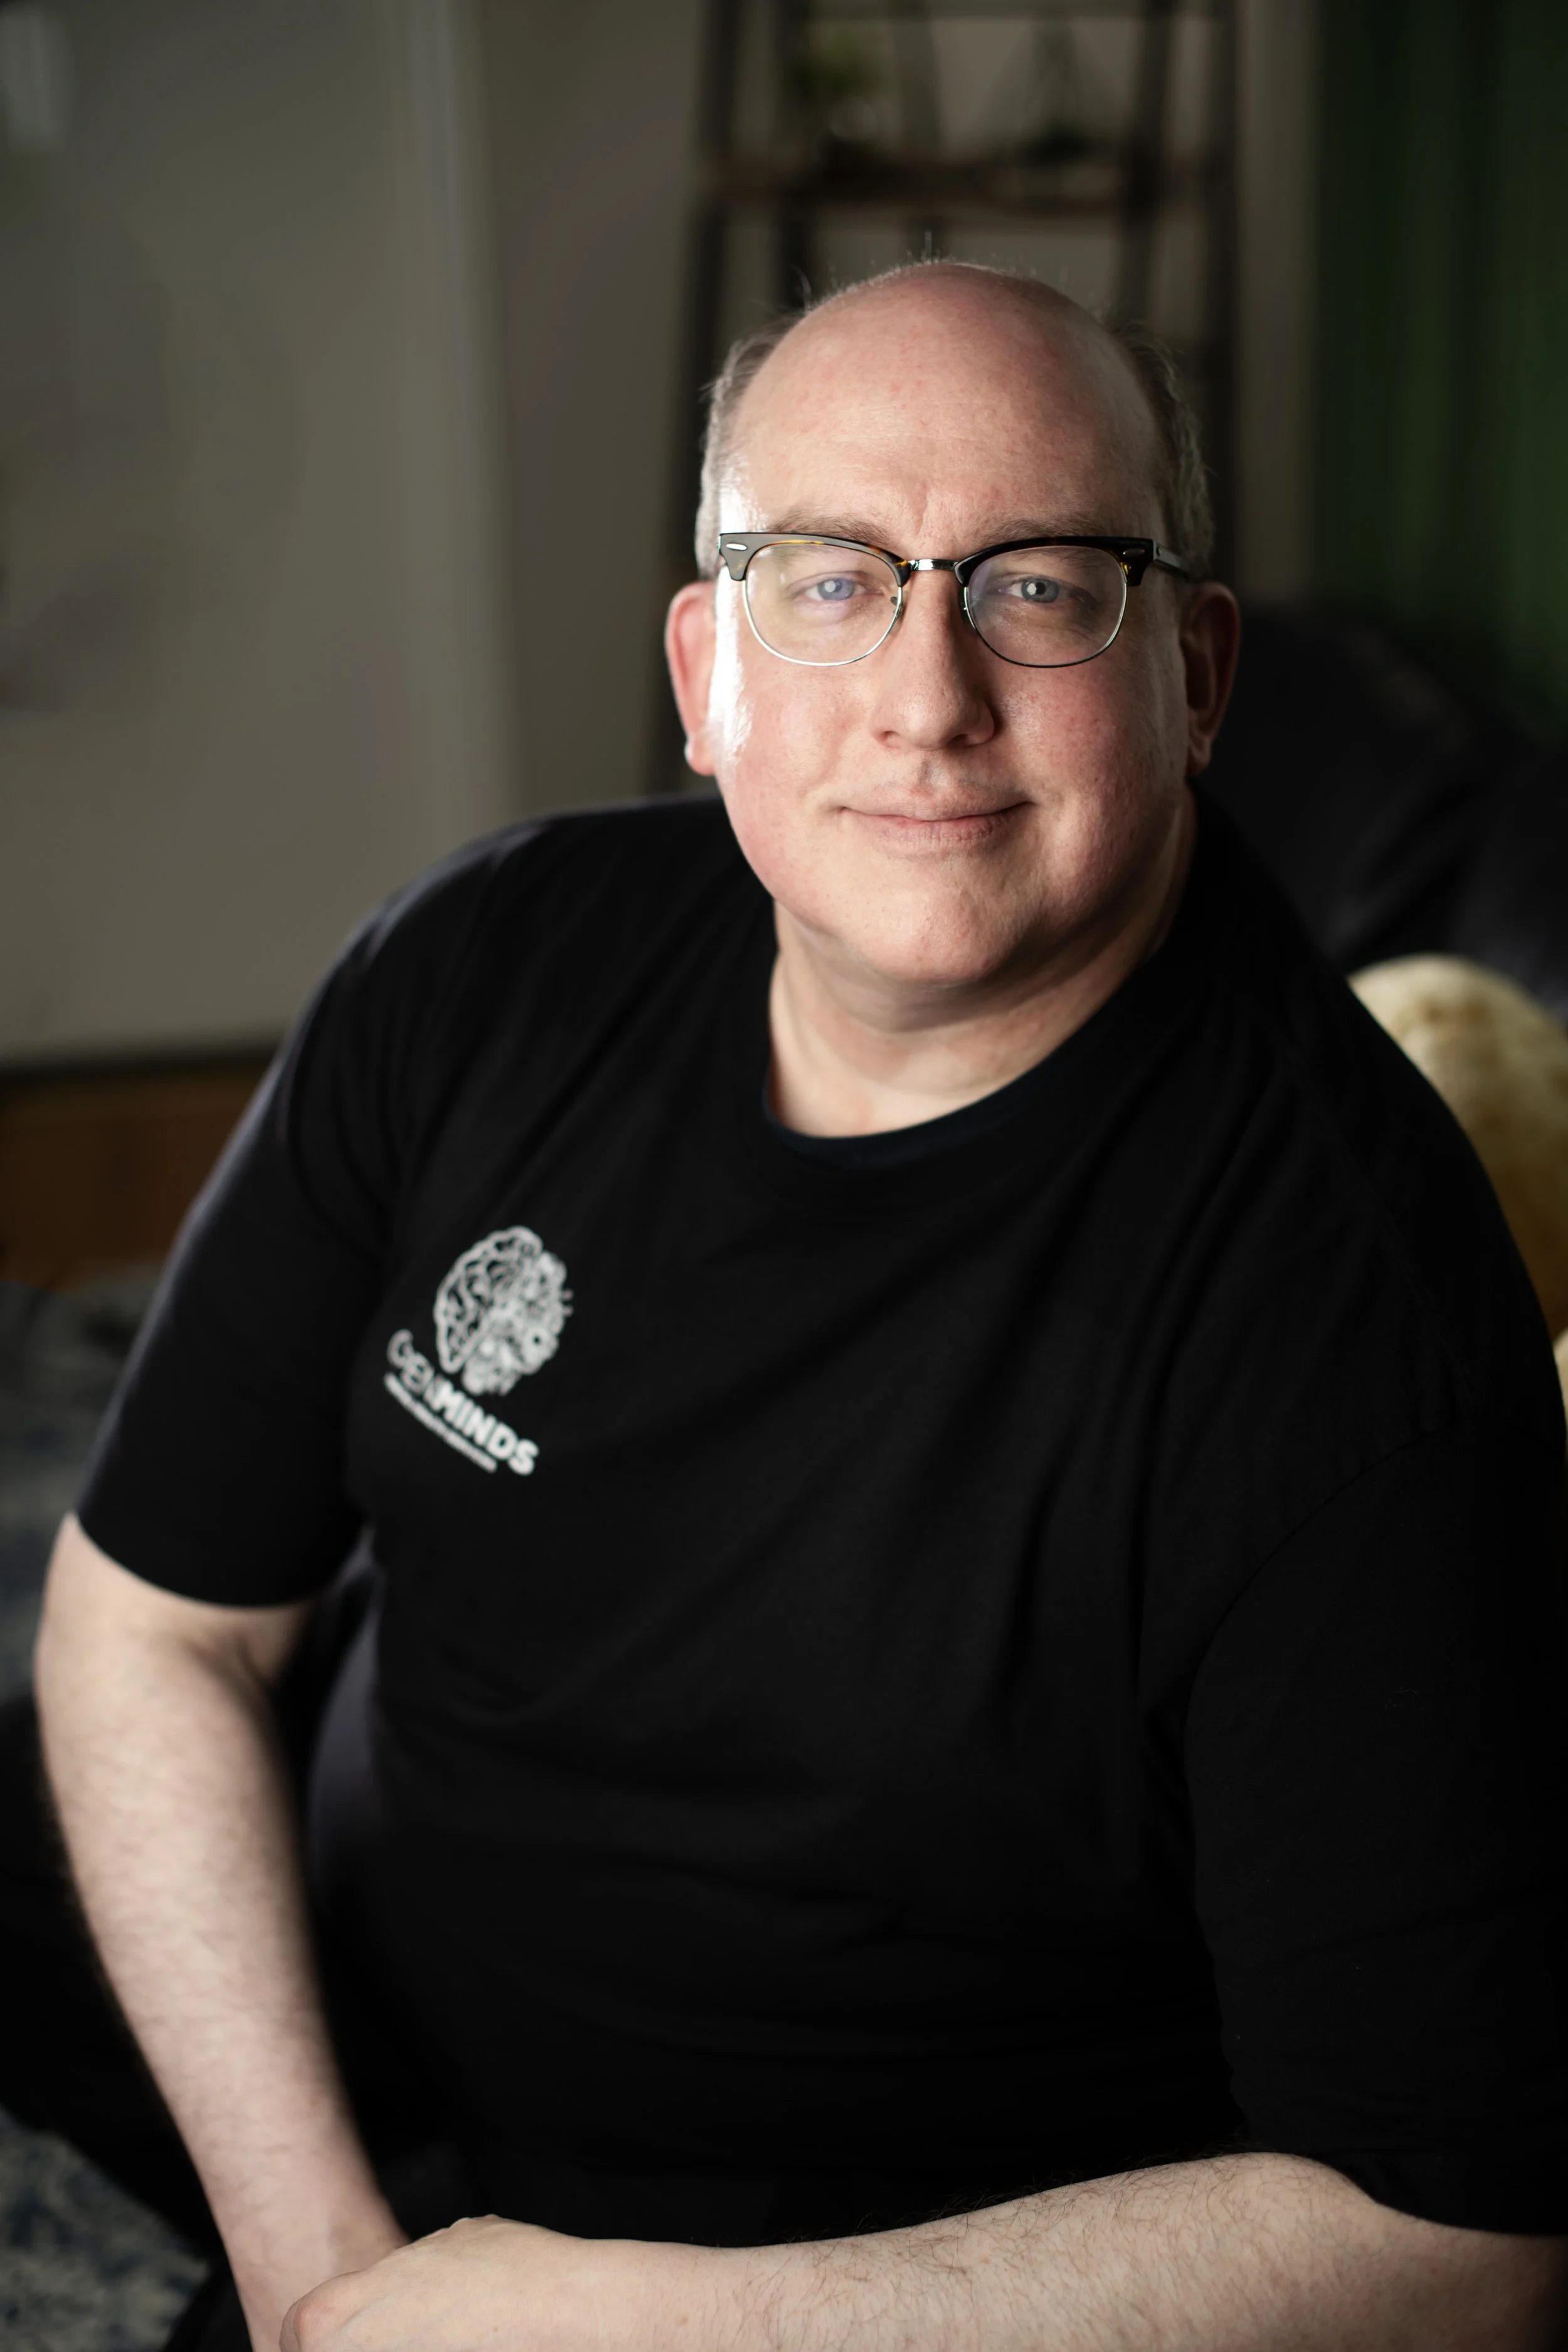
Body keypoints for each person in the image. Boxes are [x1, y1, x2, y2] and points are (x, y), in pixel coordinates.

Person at [12, 262, 1568, 2352]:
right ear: (703, 664)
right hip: (384, 2057)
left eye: (1035, 583)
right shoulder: (476, 966)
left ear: (1195, 673)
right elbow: (156, 1614)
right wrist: (322, 2279)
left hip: (819, 2270)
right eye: (826, 579)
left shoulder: (1345, 1308)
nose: (925, 694)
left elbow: (1457, 2241)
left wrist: (602, 2331)